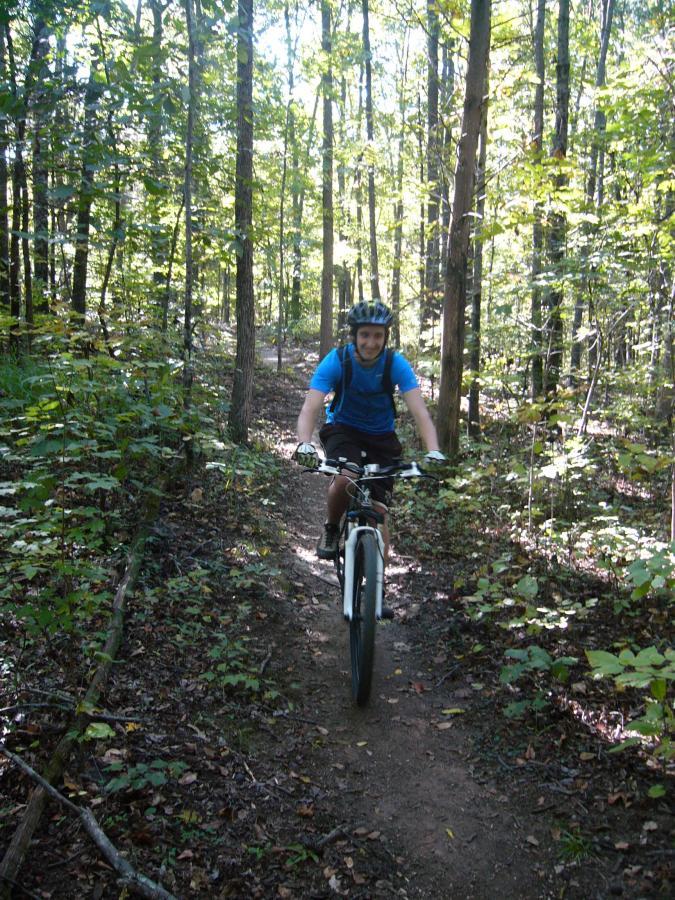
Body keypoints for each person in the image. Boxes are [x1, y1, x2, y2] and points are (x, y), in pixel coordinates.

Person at [295, 301, 446, 560]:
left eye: (378, 336)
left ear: (385, 337)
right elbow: (310, 407)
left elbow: (420, 412)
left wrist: (433, 451)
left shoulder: (394, 364)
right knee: (346, 477)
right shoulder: (338, 360)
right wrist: (304, 443)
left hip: (381, 437)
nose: (371, 342)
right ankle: (331, 528)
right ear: (354, 336)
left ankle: (375, 593)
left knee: (379, 513)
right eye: (365, 334)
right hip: (343, 429)